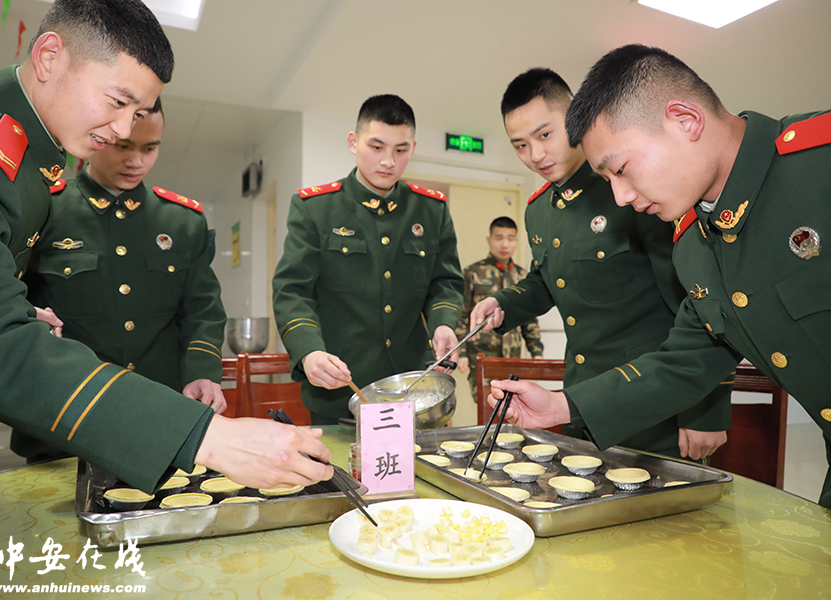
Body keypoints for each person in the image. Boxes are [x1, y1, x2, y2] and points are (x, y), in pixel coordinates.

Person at [0, 0, 332, 495]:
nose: (124, 131)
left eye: (138, 115)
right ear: (49, 56)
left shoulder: (20, 155)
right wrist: (204, 436)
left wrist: (14, 308)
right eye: (116, 102)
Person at [487, 44, 831, 509]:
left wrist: (705, 415)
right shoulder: (695, 243)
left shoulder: (819, 162)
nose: (621, 197)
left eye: (621, 169)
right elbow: (688, 358)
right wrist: (561, 405)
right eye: (607, 180)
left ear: (685, 121)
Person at [470, 68, 730, 459]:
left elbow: (695, 297)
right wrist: (503, 303)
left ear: (574, 117)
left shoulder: (631, 187)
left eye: (545, 135)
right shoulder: (539, 210)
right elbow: (550, 279)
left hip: (653, 402)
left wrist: (706, 410)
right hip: (581, 399)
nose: (535, 155)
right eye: (520, 145)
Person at [16, 99, 227, 463]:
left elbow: (202, 310)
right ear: (97, 138)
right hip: (65, 411)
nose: (136, 161)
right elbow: (11, 295)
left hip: (159, 410)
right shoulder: (46, 207)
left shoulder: (182, 221)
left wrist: (203, 373)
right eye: (124, 146)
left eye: (150, 148)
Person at [272, 94, 464, 424]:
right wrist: (309, 351)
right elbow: (292, 291)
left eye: (400, 150)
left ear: (413, 149)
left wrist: (444, 322)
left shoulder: (431, 210)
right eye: (377, 147)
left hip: (413, 388)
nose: (388, 161)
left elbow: (445, 282)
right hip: (339, 387)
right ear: (353, 142)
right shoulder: (315, 208)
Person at [455, 216, 543, 400]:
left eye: (510, 239)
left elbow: (528, 319)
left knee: (512, 406)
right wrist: (461, 352)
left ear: (516, 241)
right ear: (489, 240)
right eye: (499, 238)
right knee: (485, 407)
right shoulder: (472, 273)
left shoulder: (523, 277)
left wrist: (536, 352)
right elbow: (461, 316)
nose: (504, 244)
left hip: (513, 357)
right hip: (482, 357)